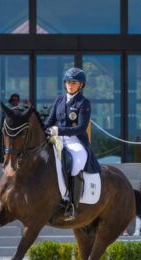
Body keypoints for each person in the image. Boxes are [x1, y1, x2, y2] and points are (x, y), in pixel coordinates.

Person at [44, 67, 101, 220]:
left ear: (80, 85)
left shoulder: (84, 103)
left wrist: (58, 131)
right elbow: (49, 121)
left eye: (74, 82)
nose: (70, 85)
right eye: (68, 82)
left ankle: (72, 205)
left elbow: (81, 127)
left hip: (76, 140)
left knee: (76, 162)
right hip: (57, 138)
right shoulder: (59, 99)